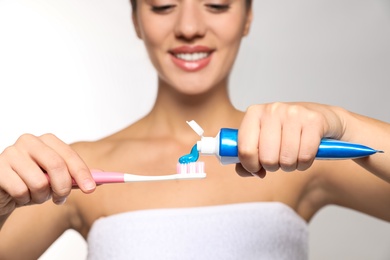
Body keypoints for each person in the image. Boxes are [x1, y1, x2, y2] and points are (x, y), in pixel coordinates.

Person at [0, 0, 389, 259]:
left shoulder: (301, 154)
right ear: (136, 18)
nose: (189, 27)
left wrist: (345, 123)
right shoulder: (77, 170)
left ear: (248, 15)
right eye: (164, 5)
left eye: (216, 4)